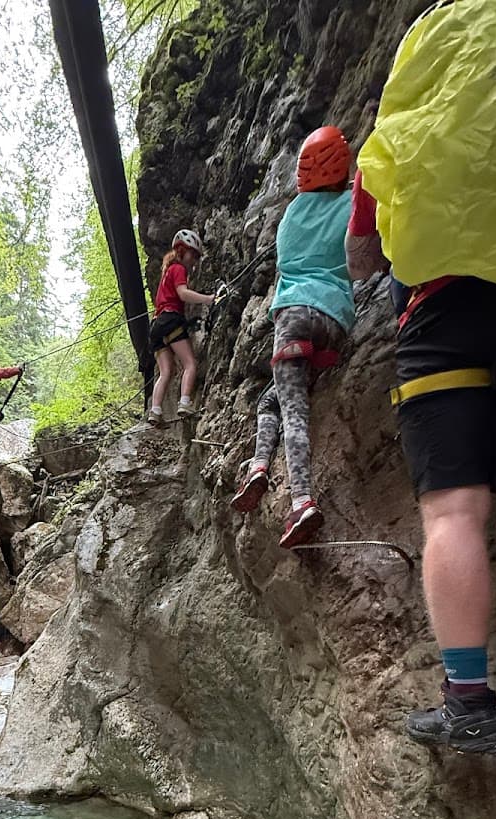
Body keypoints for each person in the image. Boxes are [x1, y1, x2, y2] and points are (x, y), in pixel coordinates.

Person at [347, 155, 496, 769]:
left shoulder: (410, 116)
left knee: (454, 513)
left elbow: (361, 256)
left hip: (448, 305)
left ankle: (468, 704)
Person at [231, 127, 355, 548]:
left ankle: (300, 500)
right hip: (335, 323)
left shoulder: (289, 219)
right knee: (273, 399)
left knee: (293, 409)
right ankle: (259, 467)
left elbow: (286, 267)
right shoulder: (354, 199)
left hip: (293, 319)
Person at [146, 229, 217, 426]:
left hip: (156, 326)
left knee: (166, 372)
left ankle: (155, 411)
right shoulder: (178, 268)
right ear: (182, 251)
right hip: (170, 320)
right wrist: (208, 299)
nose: (194, 260)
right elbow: (183, 294)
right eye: (193, 255)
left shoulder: (167, 271)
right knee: (190, 364)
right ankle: (185, 402)